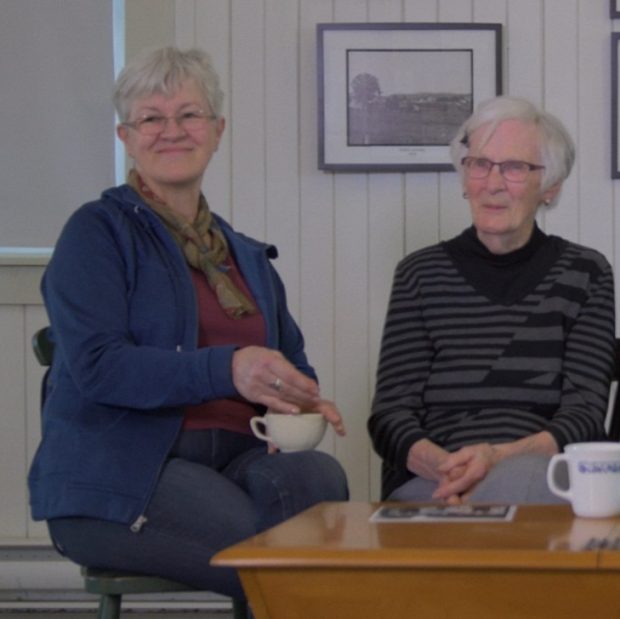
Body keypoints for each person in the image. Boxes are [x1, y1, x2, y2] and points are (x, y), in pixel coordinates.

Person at [27, 46, 348, 602]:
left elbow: (290, 360)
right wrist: (228, 368)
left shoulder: (245, 256)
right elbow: (101, 368)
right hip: (125, 469)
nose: (171, 130)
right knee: (276, 555)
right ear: (127, 136)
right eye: (152, 117)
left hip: (238, 457)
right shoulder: (97, 233)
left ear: (217, 130)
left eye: (189, 115)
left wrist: (297, 398)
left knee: (317, 482)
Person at [368, 95, 615, 505]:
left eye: (515, 167)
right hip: (436, 482)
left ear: (550, 187)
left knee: (522, 483)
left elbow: (585, 415)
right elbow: (390, 415)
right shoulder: (419, 274)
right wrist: (450, 470)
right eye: (479, 164)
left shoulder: (586, 273)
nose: (493, 183)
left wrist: (496, 460)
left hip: (541, 477)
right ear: (465, 178)